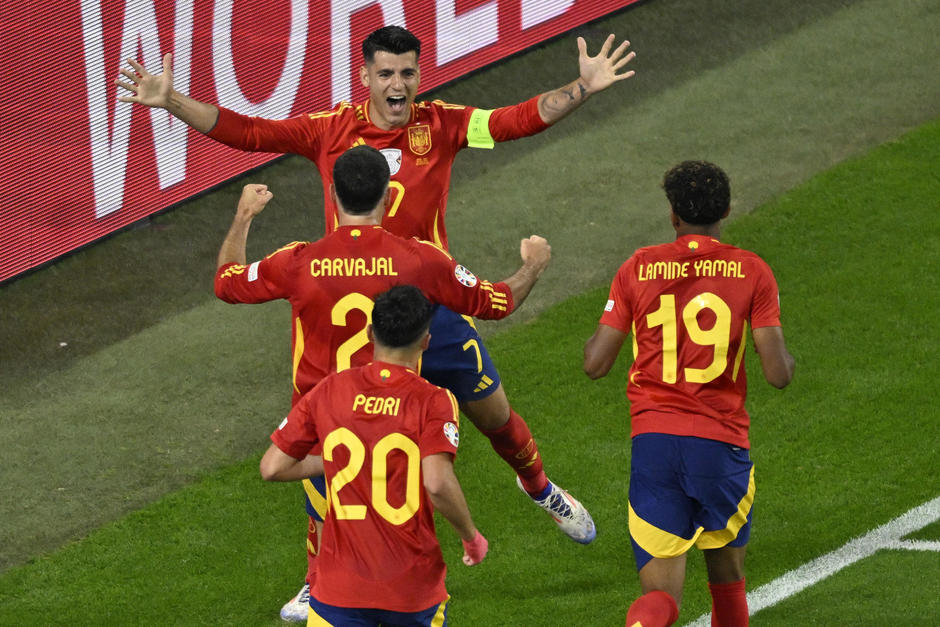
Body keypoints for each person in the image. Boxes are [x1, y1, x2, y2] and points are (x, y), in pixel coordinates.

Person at [121, 25, 626, 619]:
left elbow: (516, 119)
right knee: (333, 432)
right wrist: (171, 101)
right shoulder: (328, 128)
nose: (398, 85)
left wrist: (582, 88)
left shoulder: (442, 124)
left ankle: (541, 489)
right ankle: (318, 574)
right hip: (357, 326)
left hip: (430, 311)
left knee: (494, 415)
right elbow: (250, 132)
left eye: (408, 73)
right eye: (386, 73)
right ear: (364, 76)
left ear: (419, 74)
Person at [216, 145, 578, 622]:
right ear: (388, 197)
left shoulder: (299, 261)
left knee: (336, 506)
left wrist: (243, 216)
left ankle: (320, 583)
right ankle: (345, 585)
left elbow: (227, 281)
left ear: (331, 195)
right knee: (403, 524)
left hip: (326, 419)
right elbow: (497, 301)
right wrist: (534, 263)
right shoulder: (419, 259)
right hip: (397, 419)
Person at [582, 161, 795, 627]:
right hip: (721, 449)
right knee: (727, 583)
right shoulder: (752, 271)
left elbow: (595, 363)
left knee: (660, 598)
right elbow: (778, 374)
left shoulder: (638, 266)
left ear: (673, 214)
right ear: (727, 212)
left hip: (655, 446)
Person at [259, 284, 489, 626]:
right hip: (411, 588)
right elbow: (438, 484)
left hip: (338, 589)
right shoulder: (434, 401)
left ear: (369, 333)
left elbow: (272, 467)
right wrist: (471, 538)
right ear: (425, 341)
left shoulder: (329, 388)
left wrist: (333, 462)